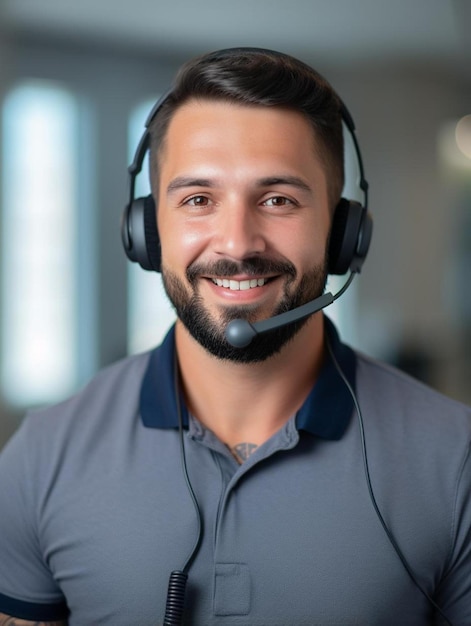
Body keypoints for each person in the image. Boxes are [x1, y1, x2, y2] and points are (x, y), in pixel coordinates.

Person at [0, 47, 470, 626]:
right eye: (199, 200)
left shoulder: (456, 461)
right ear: (147, 231)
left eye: (278, 200)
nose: (238, 242)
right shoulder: (41, 456)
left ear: (344, 233)